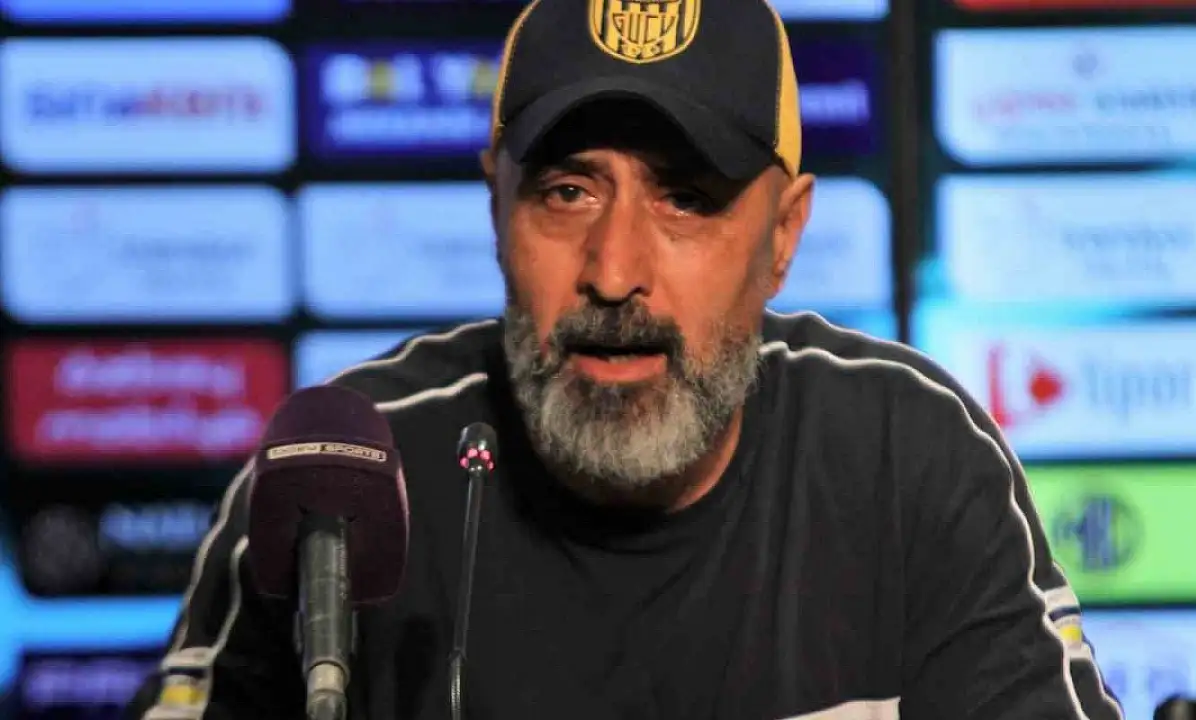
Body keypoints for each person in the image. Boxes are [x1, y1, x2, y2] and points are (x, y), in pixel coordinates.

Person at [126, 0, 1125, 718]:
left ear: (783, 234)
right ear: (494, 207)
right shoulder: (343, 473)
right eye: (566, 192)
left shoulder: (904, 451)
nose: (613, 273)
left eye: (685, 198)